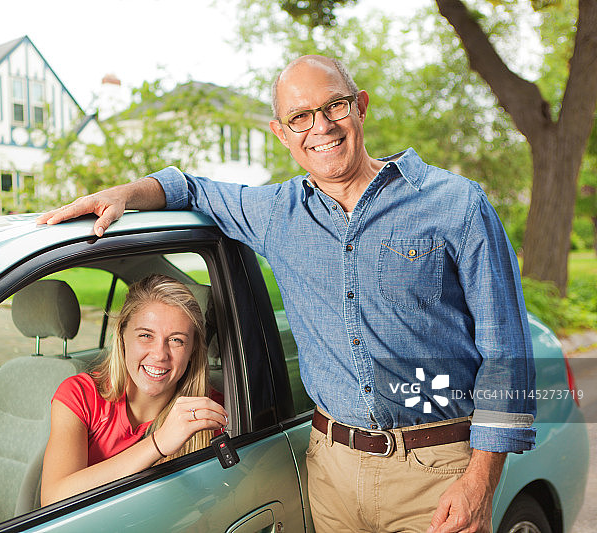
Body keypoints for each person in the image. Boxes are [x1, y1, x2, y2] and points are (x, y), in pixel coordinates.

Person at [37, 55, 535, 533]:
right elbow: (186, 186)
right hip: (332, 473)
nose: (321, 127)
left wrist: (480, 480)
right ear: (281, 133)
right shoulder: (276, 212)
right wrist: (122, 194)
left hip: (438, 467)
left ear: (360, 105)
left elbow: (506, 354)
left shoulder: (455, 204)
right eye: (300, 116)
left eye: (334, 106)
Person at [40, 274, 227, 505]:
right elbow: (54, 500)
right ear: (122, 337)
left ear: (192, 352)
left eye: (176, 340)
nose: (160, 354)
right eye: (146, 335)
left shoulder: (211, 412)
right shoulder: (81, 395)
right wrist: (158, 443)